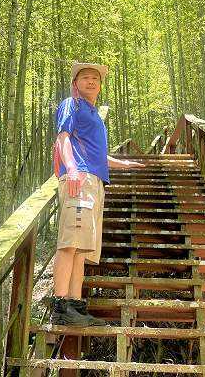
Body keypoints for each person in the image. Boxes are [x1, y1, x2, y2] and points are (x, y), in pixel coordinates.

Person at [50, 61, 144, 326]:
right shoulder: (72, 104)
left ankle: (75, 305)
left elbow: (95, 153)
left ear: (100, 86)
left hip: (95, 181)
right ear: (75, 83)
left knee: (82, 249)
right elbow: (63, 138)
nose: (91, 81)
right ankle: (60, 306)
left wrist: (121, 163)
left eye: (95, 79)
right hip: (79, 179)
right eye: (85, 77)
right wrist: (71, 167)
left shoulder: (94, 115)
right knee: (69, 243)